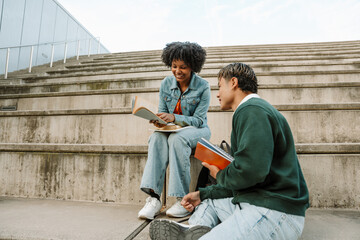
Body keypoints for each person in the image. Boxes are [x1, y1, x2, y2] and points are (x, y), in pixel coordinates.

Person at [149, 63, 310, 240]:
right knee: (207, 202)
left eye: (219, 86)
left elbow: (252, 171)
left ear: (233, 82)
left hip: (275, 213)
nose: (217, 94)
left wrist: (221, 175)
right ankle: (194, 230)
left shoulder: (252, 111)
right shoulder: (251, 111)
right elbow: (246, 178)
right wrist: (202, 194)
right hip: (255, 202)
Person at [138, 42, 211, 220]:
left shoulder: (203, 86)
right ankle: (154, 198)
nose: (177, 71)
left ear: (193, 66)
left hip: (198, 130)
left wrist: (175, 118)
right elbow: (163, 112)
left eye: (183, 67)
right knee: (156, 138)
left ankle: (182, 200)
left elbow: (200, 120)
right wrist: (160, 120)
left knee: (177, 140)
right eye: (174, 66)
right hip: (173, 129)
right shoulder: (166, 83)